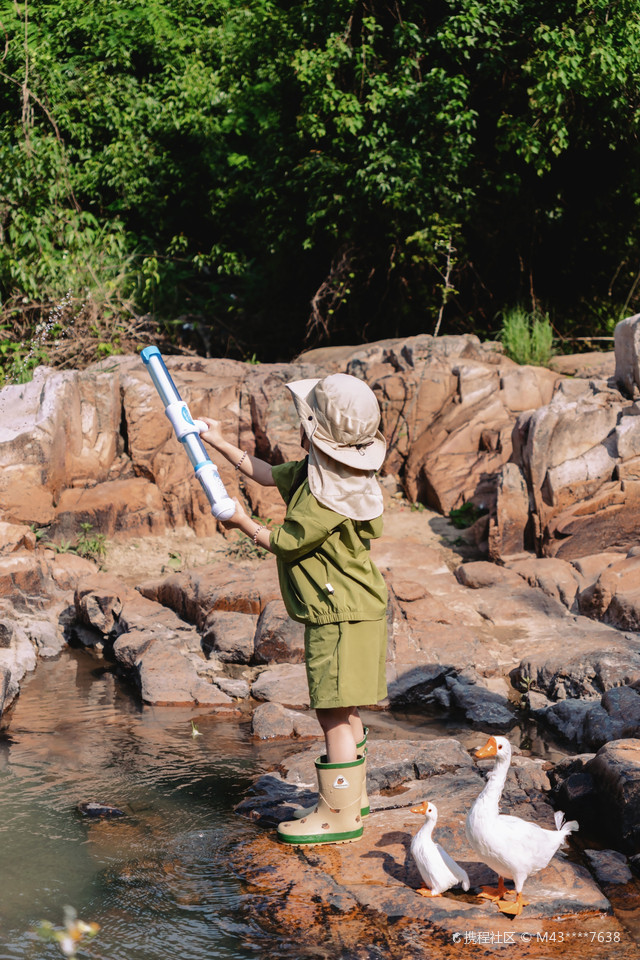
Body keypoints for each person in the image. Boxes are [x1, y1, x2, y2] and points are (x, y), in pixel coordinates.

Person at [198, 373, 388, 846]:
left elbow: (287, 541)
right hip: (354, 609)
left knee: (331, 712)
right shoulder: (326, 475)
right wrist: (218, 441)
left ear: (314, 430)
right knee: (347, 709)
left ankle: (339, 815)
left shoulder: (326, 499)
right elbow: (265, 472)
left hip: (337, 617)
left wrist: (243, 521)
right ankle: (353, 799)